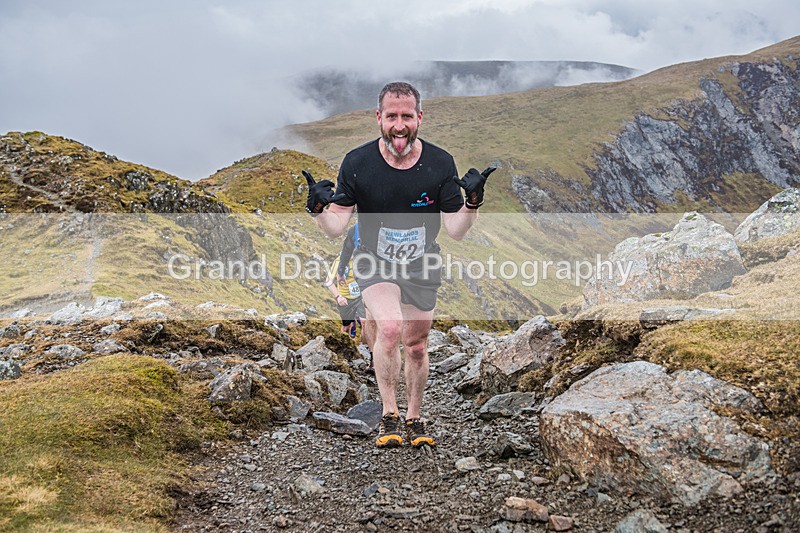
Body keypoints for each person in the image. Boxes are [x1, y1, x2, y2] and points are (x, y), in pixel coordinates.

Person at [302, 81, 494, 448]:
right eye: (392, 116)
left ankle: (415, 418)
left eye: (407, 116)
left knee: (417, 344)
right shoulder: (358, 163)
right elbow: (335, 227)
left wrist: (472, 203)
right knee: (389, 329)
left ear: (419, 117)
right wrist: (317, 211)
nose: (399, 125)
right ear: (379, 118)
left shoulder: (439, 163)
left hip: (421, 265)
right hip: (375, 262)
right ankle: (389, 414)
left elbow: (455, 230)